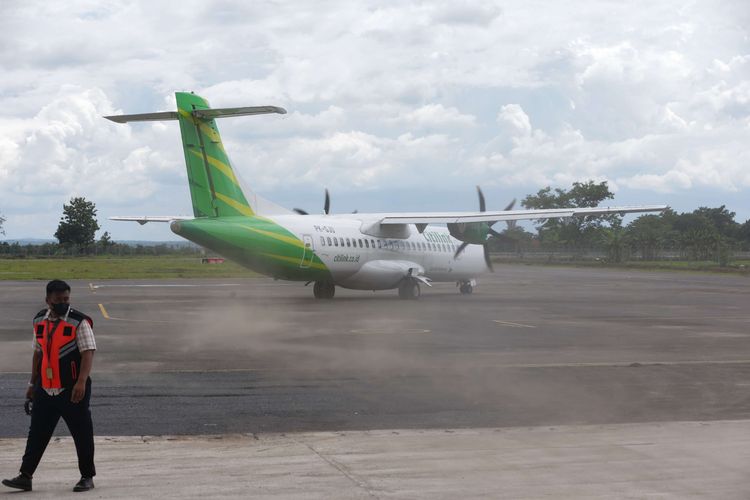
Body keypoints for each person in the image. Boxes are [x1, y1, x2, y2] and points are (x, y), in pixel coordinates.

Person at [2, 280, 97, 493]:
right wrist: (32, 384)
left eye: (66, 299)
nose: (63, 303)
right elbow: (38, 353)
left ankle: (87, 476)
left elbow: (88, 352)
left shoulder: (78, 322)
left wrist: (81, 382)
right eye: (58, 300)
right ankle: (25, 476)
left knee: (81, 433)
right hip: (45, 388)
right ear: (48, 301)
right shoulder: (39, 321)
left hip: (72, 390)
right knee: (37, 433)